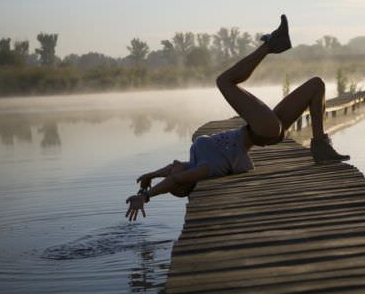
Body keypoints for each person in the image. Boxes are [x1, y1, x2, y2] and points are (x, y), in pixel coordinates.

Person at [125, 15, 350, 221]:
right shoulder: (204, 168)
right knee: (224, 82)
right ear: (184, 179)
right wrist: (147, 197)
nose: (172, 166)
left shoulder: (193, 164)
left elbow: (171, 171)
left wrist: (150, 177)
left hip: (264, 130)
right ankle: (271, 45)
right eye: (173, 174)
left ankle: (320, 145)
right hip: (262, 129)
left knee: (316, 85)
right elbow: (174, 179)